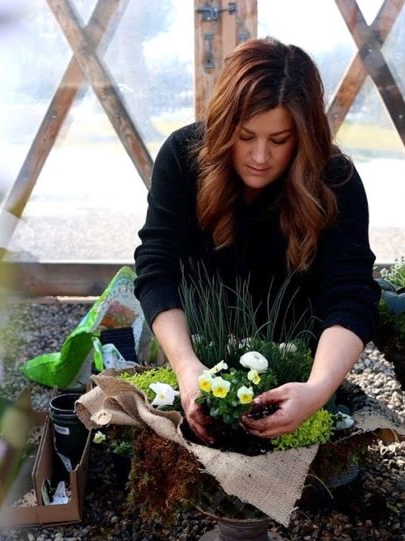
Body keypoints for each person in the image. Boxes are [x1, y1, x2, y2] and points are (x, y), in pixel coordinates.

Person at [133, 37, 379, 444]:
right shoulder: (182, 156)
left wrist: (317, 391)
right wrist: (187, 370)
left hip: (296, 370)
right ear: (224, 125)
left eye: (279, 140)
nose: (260, 156)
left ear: (304, 135)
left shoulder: (336, 182)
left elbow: (352, 292)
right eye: (246, 136)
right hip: (196, 353)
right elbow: (156, 267)